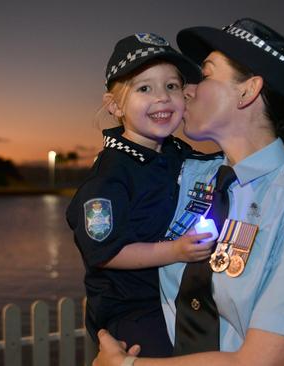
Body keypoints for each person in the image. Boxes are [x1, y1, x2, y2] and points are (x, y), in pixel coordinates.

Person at [92, 18, 284, 366]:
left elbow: (263, 363)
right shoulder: (183, 174)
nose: (187, 90)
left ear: (248, 91)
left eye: (207, 74)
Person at [65, 32, 214, 357]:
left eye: (171, 86)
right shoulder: (110, 177)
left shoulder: (173, 151)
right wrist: (175, 251)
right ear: (115, 105)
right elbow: (106, 253)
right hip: (131, 310)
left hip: (173, 295)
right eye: (145, 88)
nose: (162, 97)